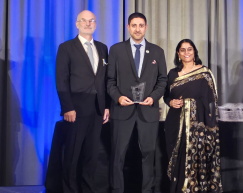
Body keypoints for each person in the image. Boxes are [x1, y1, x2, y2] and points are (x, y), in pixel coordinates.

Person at [107, 12, 167, 193]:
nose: (138, 29)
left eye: (141, 25)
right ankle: (117, 190)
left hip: (148, 111)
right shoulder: (116, 50)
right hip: (121, 111)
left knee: (148, 155)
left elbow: (163, 80)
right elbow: (109, 81)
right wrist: (117, 97)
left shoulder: (157, 51)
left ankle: (147, 190)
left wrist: (154, 97)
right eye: (134, 25)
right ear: (128, 27)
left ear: (146, 27)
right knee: (117, 155)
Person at [55, 10, 110, 193]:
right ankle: (69, 190)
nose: (88, 23)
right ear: (77, 24)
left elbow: (105, 80)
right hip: (75, 110)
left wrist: (107, 106)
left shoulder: (103, 48)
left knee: (91, 156)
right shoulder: (66, 47)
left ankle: (88, 190)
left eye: (92, 20)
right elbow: (61, 80)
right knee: (72, 154)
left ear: (95, 24)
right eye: (84, 21)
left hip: (97, 110)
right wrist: (67, 107)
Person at [163, 39, 222, 193]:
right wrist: (171, 102)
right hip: (176, 122)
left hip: (198, 126)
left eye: (189, 49)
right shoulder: (172, 73)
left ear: (194, 51)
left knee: (195, 157)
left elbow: (212, 101)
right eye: (183, 50)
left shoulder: (204, 73)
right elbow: (166, 97)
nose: (186, 52)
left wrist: (193, 107)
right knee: (178, 157)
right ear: (178, 53)